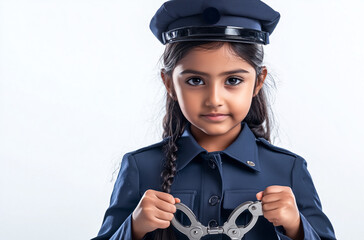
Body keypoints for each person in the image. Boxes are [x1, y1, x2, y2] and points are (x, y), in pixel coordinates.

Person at [92, 0, 337, 239]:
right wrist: (133, 229)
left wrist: (297, 228)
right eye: (195, 81)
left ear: (258, 82)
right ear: (169, 84)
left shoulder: (288, 169)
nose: (214, 99)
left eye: (233, 81)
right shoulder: (139, 167)